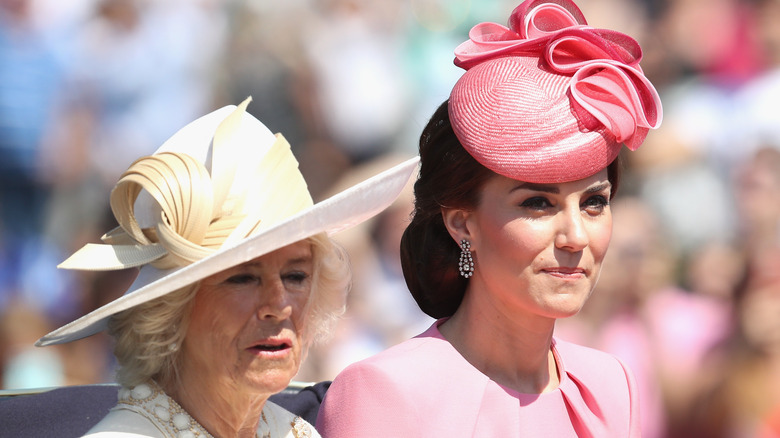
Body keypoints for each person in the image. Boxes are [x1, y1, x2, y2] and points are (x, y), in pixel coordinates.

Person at [316, 0, 662, 436]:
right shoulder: (384, 392)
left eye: (594, 203)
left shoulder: (610, 384)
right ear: (462, 223)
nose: (576, 236)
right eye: (538, 203)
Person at [34, 97, 418, 437]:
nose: (279, 304)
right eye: (243, 277)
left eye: (296, 275)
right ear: (170, 312)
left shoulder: (297, 433)